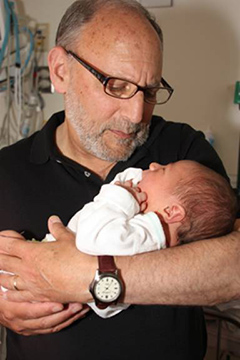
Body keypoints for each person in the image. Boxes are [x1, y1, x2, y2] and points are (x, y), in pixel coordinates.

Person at [0, 1, 239, 359]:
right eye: (117, 85)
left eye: (151, 91)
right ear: (61, 70)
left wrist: (85, 278)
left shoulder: (183, 152)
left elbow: (233, 266)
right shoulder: (7, 170)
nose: (136, 113)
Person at [45, 160, 237, 318]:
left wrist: (120, 198)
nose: (153, 165)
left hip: (45, 279)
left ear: (171, 212)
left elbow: (90, 237)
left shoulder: (143, 238)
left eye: (163, 171)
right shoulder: (145, 233)